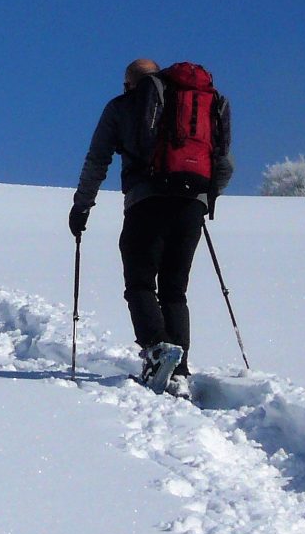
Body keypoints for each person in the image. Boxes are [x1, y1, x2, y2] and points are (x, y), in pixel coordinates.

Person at [68, 59, 233, 397]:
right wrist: (205, 197)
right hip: (191, 204)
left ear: (131, 83)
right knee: (175, 289)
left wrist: (82, 205)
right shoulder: (201, 102)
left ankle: (158, 349)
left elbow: (97, 159)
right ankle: (179, 371)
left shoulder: (122, 106)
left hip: (146, 201)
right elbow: (224, 162)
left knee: (140, 282)